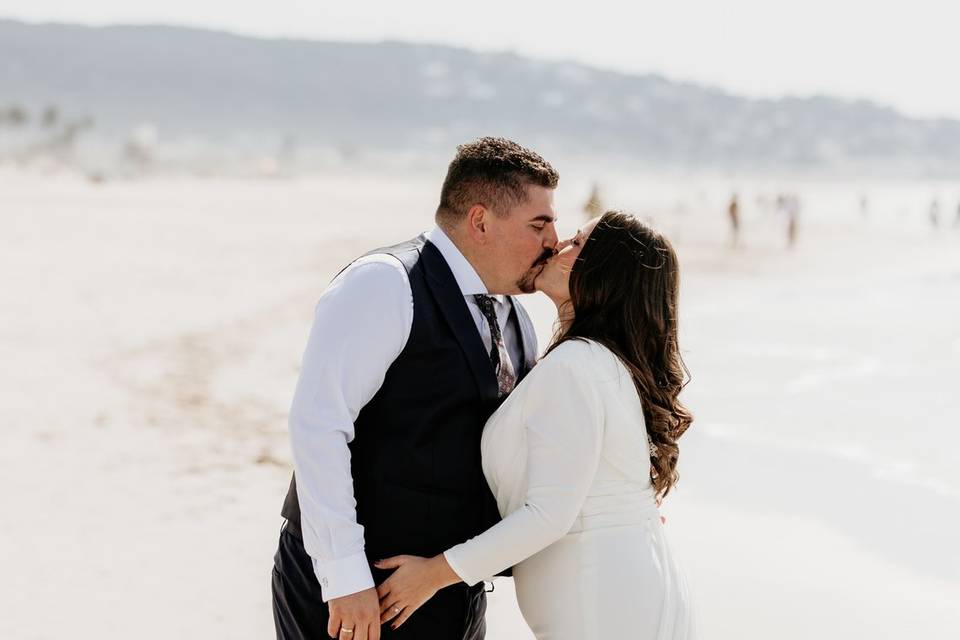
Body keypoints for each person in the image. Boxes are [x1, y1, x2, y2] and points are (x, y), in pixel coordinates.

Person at [271, 137, 560, 640]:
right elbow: (318, 426)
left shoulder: (515, 316)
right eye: (539, 224)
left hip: (447, 593)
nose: (553, 240)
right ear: (480, 220)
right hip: (358, 593)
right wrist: (344, 576)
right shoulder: (384, 284)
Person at [374, 211, 696, 639]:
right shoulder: (602, 362)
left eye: (578, 243)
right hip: (623, 592)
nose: (559, 245)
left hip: (601, 605)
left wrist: (432, 575)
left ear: (605, 273)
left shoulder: (577, 365)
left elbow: (548, 515)